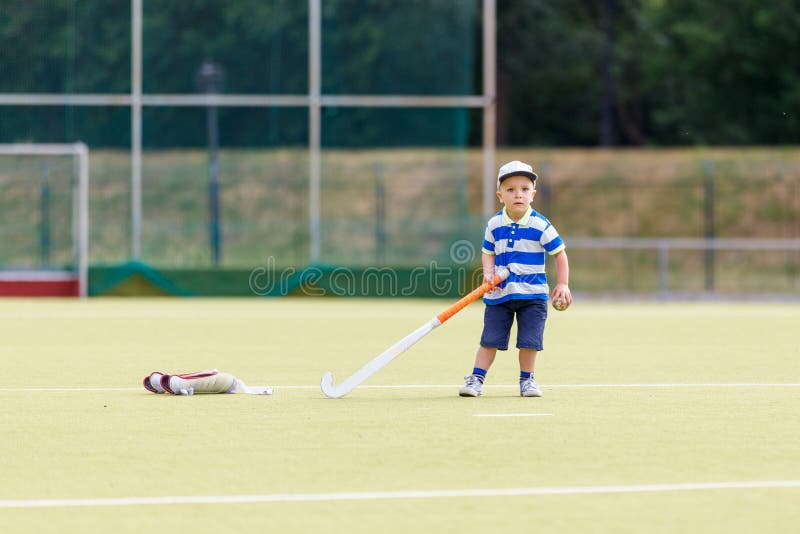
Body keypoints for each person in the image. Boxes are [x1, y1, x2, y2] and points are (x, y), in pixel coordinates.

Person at [460, 160, 571, 398]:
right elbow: (487, 252)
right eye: (511, 190)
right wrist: (489, 274)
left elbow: (559, 254)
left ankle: (527, 381)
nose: (518, 194)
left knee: (529, 342)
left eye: (524, 189)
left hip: (533, 297)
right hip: (500, 294)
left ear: (533, 194)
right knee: (489, 340)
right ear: (500, 196)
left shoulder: (541, 225)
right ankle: (476, 379)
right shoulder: (494, 224)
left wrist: (562, 283)